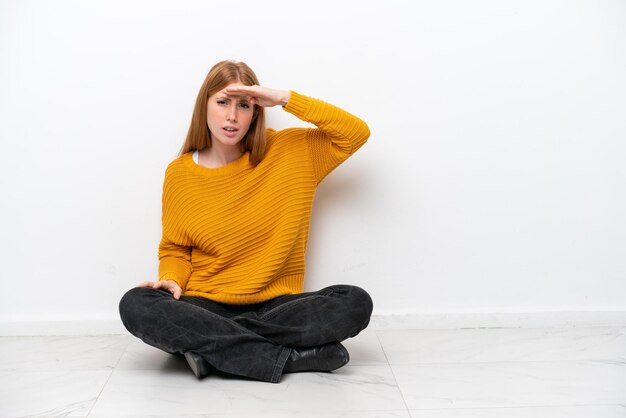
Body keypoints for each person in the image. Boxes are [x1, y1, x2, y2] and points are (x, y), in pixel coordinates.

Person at [119, 60, 373, 383]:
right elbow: (175, 249)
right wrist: (171, 279)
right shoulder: (180, 174)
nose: (232, 116)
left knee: (354, 302)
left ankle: (211, 351)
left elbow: (355, 134)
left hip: (276, 308)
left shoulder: (291, 151)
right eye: (222, 102)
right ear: (204, 106)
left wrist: (283, 98)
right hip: (205, 306)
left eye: (244, 105)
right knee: (136, 303)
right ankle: (287, 358)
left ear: (256, 110)